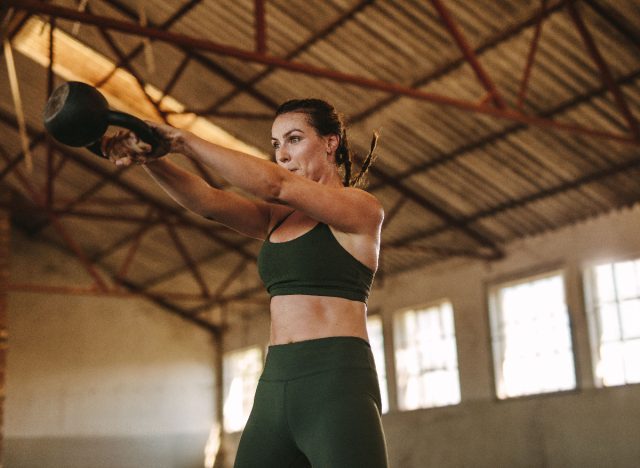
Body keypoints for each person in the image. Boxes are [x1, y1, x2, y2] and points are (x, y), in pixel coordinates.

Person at [102, 99, 388, 467]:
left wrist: (182, 140)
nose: (282, 154)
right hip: (275, 383)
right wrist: (151, 157)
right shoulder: (277, 220)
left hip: (336, 383)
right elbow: (206, 201)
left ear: (331, 143)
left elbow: (274, 184)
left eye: (294, 139)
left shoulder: (362, 210)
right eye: (276, 144)